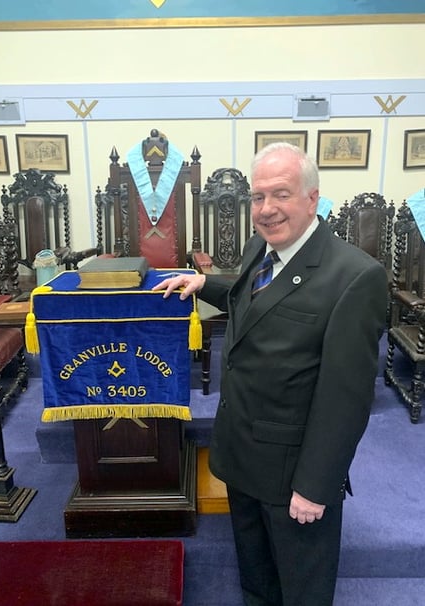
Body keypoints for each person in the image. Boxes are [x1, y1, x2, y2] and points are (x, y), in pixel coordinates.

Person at [153, 142, 388, 606]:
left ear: (312, 198)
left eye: (281, 194)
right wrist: (205, 284)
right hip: (241, 454)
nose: (266, 209)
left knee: (301, 589)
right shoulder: (259, 246)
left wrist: (315, 486)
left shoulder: (355, 277)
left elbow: (346, 400)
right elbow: (254, 300)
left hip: (292, 474)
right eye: (258, 197)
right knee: (257, 581)